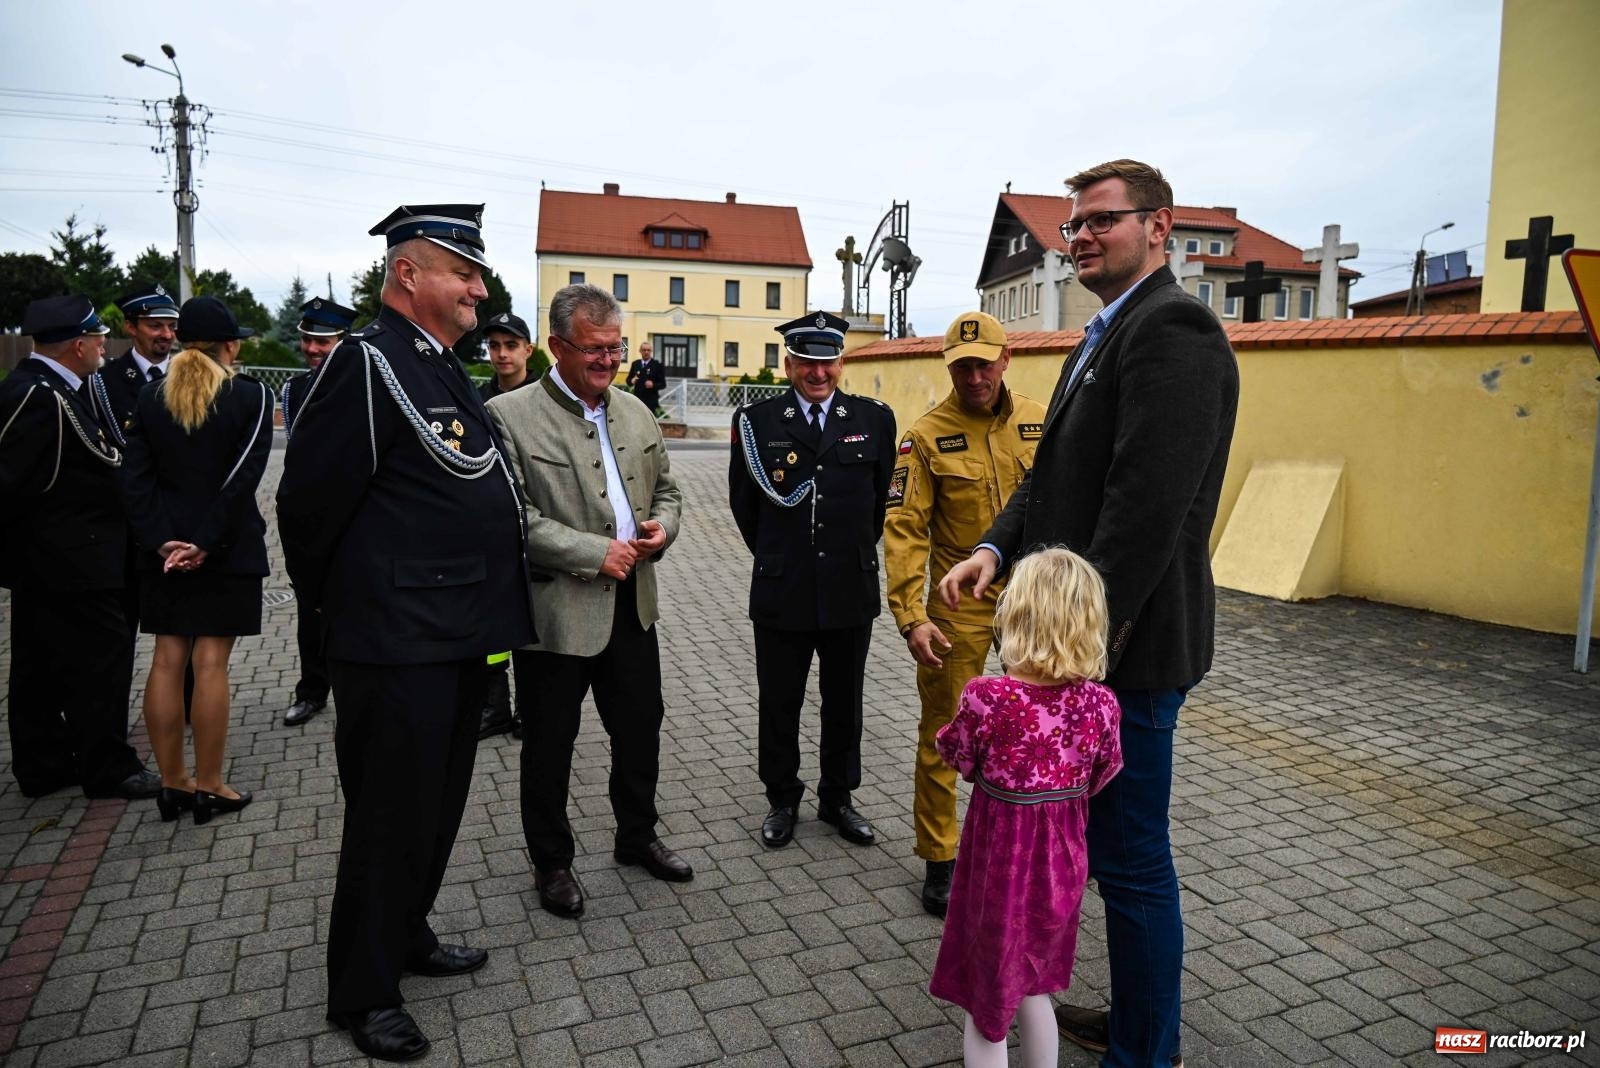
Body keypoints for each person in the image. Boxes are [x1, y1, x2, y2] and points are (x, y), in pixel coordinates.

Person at [940, 159, 1239, 1068]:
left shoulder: (1174, 330)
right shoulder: (1102, 334)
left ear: (1160, 227)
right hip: (1084, 650)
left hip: (1127, 654)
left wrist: (1075, 657)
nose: (1081, 239)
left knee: (1133, 860)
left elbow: (1142, 513)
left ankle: (1148, 1051)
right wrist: (993, 548)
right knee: (1106, 855)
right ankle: (1143, 1019)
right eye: (1073, 227)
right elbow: (1052, 478)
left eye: (1101, 221)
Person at [277, 204, 534, 1062]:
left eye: (478, 272)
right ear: (409, 275)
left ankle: (409, 934)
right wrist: (344, 615)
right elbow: (306, 508)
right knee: (388, 817)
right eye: (463, 272)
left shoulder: (436, 364)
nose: (479, 288)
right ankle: (363, 988)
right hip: (394, 643)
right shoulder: (365, 364)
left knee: (439, 805)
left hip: (459, 635)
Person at [487, 283, 690, 919]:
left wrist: (663, 529)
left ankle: (636, 836)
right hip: (558, 618)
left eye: (615, 348)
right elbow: (510, 519)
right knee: (550, 743)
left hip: (634, 606)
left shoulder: (635, 411)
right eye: (593, 350)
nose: (607, 361)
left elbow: (670, 493)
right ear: (555, 347)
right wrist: (590, 552)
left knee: (641, 731)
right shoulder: (510, 415)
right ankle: (551, 862)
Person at [929, 547, 1123, 1068]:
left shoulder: (987, 697)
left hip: (999, 870)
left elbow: (957, 756)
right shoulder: (1101, 704)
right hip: (1061, 868)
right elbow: (1105, 772)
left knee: (987, 1003)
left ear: (1015, 615)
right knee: (1035, 985)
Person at [883, 310, 1046, 918]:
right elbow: (903, 528)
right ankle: (940, 856)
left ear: (1006, 360)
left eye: (984, 362)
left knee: (1041, 727)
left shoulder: (1040, 420)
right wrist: (909, 615)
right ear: (949, 366)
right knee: (945, 731)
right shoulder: (925, 436)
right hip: (960, 604)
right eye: (961, 365)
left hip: (1034, 601)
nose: (974, 375)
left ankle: (1028, 846)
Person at [728, 311, 896, 849]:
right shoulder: (757, 422)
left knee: (844, 700)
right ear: (789, 363)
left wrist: (842, 553)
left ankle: (837, 797)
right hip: (783, 586)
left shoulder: (873, 418)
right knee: (781, 699)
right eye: (807, 362)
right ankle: (782, 797)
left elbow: (877, 507)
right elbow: (744, 506)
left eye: (827, 362)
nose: (817, 373)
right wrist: (782, 554)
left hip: (850, 585)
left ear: (841, 363)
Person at [120, 296, 274, 825]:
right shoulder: (250, 397)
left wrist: (163, 541)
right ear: (230, 345)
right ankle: (209, 785)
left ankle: (171, 783)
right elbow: (242, 479)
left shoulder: (146, 397)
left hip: (165, 555)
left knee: (167, 659)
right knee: (210, 663)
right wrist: (204, 542)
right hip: (224, 550)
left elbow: (134, 479)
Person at [0, 296, 159, 801]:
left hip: (56, 558)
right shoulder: (40, 397)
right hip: (70, 560)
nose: (101, 346)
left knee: (40, 664)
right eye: (96, 337)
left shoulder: (54, 388)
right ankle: (108, 767)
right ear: (77, 345)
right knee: (99, 666)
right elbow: (15, 483)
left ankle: (43, 764)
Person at [91, 282, 184, 724]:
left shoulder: (191, 373)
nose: (165, 335)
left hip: (183, 526)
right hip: (128, 530)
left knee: (186, 626)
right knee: (118, 635)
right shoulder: (104, 383)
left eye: (171, 326)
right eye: (154, 326)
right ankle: (112, 723)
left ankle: (188, 706)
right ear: (130, 327)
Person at [280, 296, 358, 729]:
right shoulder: (292, 389)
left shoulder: (356, 381)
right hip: (307, 519)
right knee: (310, 611)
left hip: (351, 517)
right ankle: (311, 690)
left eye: (322, 342)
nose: (312, 349)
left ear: (342, 343)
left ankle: (358, 689)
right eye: (308, 340)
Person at [476, 310, 539, 740]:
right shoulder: (474, 396)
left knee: (534, 630)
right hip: (491, 529)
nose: (501, 354)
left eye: (510, 345)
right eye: (495, 346)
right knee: (493, 630)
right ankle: (495, 708)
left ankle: (532, 712)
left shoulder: (545, 398)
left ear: (528, 351)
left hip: (536, 528)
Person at [624, 339, 664, 415]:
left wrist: (653, 385)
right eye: (644, 350)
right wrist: (631, 381)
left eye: (648, 350)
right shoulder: (635, 364)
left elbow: (663, 384)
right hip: (637, 400)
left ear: (651, 351)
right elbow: (628, 381)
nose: (646, 352)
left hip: (651, 401)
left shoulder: (657, 365)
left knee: (649, 424)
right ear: (640, 351)